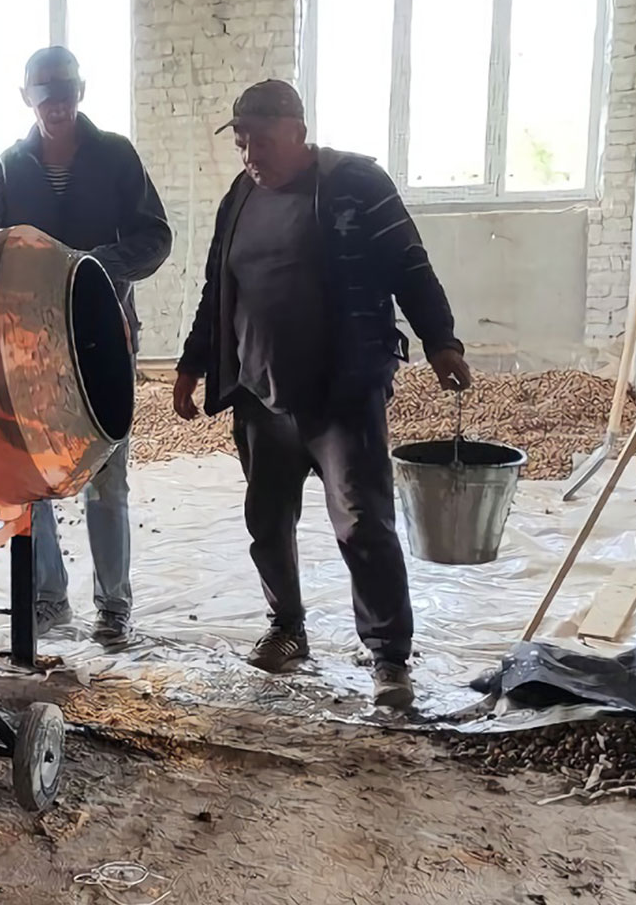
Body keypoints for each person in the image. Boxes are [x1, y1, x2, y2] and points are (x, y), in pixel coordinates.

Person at [173, 79, 470, 708]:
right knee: (267, 521)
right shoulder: (238, 198)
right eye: (241, 141)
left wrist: (442, 342)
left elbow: (409, 264)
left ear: (298, 132)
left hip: (342, 394)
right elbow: (216, 289)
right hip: (261, 395)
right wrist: (192, 364)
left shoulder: (356, 184)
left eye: (261, 139)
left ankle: (388, 656)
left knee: (362, 524)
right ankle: (287, 628)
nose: (250, 153)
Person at [0, 46, 172, 648]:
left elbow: (155, 237)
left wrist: (94, 266)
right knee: (30, 472)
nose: (56, 105)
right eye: (45, 95)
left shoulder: (115, 157)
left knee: (106, 475)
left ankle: (113, 605)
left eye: (65, 93)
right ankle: (47, 597)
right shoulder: (9, 170)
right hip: (29, 348)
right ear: (26, 98)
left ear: (81, 91)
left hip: (103, 338)